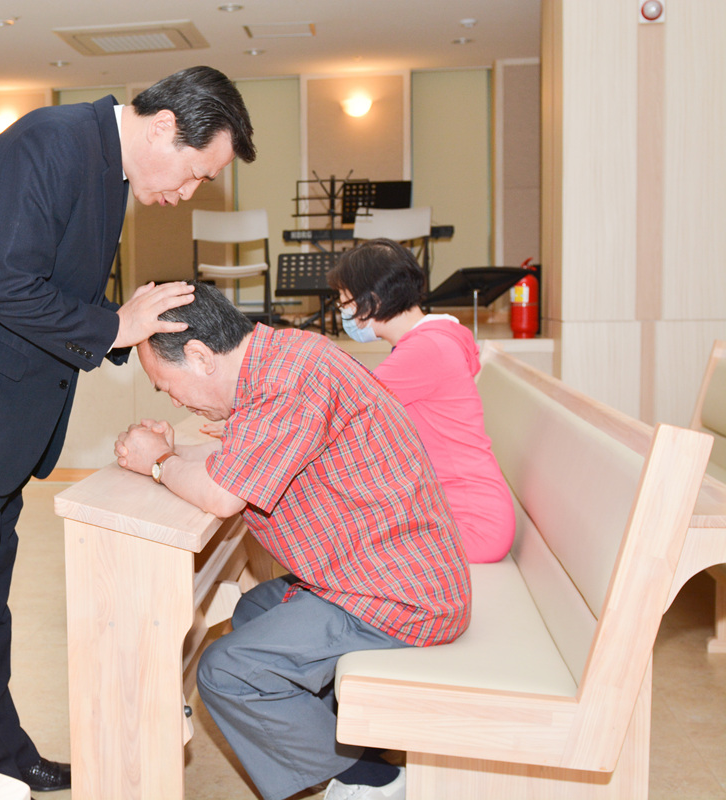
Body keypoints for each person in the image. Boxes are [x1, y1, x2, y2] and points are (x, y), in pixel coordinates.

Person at [0, 68, 256, 792]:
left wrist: (128, 325)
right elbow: (6, 287)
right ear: (165, 127)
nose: (188, 192)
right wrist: (114, 325)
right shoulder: (52, 143)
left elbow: (53, 289)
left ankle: (2, 754)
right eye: (197, 174)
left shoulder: (102, 164)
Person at [114, 283, 470, 800]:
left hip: (399, 596)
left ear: (200, 356)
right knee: (255, 609)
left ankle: (372, 781)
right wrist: (168, 454)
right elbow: (234, 467)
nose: (174, 399)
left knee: (228, 670)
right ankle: (351, 740)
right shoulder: (278, 361)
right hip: (381, 570)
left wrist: (159, 462)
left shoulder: (283, 384)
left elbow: (222, 495)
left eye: (167, 386)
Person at [327, 238, 515, 563]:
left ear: (371, 301)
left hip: (468, 523)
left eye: (345, 303)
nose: (344, 313)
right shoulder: (435, 339)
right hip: (457, 510)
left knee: (333, 544)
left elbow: (343, 411)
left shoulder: (425, 350)